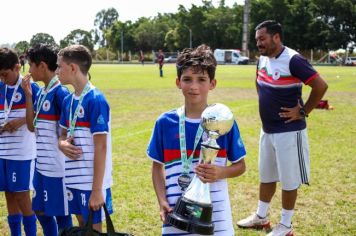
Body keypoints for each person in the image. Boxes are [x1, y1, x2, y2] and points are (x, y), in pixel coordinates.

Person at [236, 20, 328, 236]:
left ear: (276, 37)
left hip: (289, 131)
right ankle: (261, 216)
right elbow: (258, 83)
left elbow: (321, 86)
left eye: (262, 38)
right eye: (257, 39)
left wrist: (303, 111)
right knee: (266, 176)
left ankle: (286, 226)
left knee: (289, 179)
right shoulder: (263, 60)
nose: (258, 43)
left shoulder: (293, 60)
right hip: (267, 130)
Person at [147, 44, 246, 235]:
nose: (194, 86)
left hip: (216, 215)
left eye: (201, 79)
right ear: (178, 82)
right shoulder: (165, 122)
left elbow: (240, 166)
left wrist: (220, 172)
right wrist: (162, 201)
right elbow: (156, 167)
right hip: (176, 212)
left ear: (212, 84)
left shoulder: (224, 121)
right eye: (187, 79)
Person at [56, 45, 113, 232]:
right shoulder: (68, 100)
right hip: (73, 179)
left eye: (59, 67)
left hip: (91, 183)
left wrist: (97, 190)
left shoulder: (96, 99)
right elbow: (62, 133)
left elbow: (101, 147)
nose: (57, 71)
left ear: (73, 68)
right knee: (82, 227)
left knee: (93, 230)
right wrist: (61, 143)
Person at [21, 44, 73, 235]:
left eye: (30, 65)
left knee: (62, 216)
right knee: (40, 210)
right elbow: (31, 126)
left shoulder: (61, 94)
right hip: (41, 166)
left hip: (57, 168)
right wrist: (28, 95)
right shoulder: (41, 93)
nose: (29, 70)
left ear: (42, 66)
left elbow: (70, 132)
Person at [0, 47, 38, 236]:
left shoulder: (30, 87)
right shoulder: (0, 88)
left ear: (17, 67)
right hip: (3, 152)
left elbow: (40, 115)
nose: (2, 79)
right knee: (8, 194)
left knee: (22, 197)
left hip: (22, 153)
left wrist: (20, 121)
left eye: (5, 74)